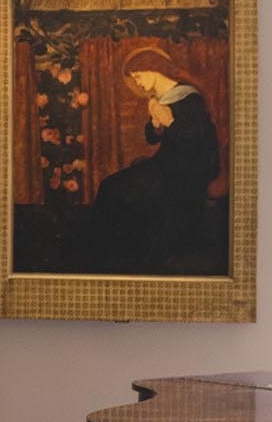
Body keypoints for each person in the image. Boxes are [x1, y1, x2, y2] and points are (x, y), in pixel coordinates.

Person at [87, 43, 220, 270]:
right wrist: (157, 124)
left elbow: (195, 142)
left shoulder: (189, 98)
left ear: (154, 68)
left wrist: (169, 121)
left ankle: (123, 257)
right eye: (134, 78)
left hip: (187, 169)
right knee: (110, 185)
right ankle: (106, 255)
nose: (137, 82)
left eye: (138, 75)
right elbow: (152, 138)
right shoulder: (162, 98)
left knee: (122, 191)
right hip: (166, 163)